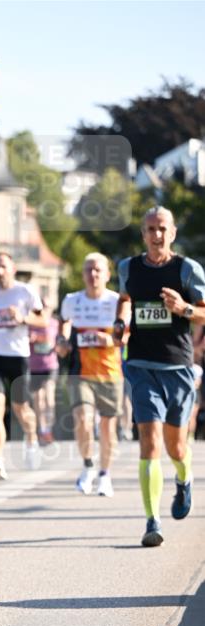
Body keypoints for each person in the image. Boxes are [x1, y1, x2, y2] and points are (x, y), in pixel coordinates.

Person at [114, 206, 205, 546]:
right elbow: (125, 300)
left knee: (176, 447)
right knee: (150, 443)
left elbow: (203, 313)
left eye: (162, 228)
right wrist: (121, 324)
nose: (157, 235)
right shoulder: (129, 268)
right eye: (151, 229)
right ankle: (152, 521)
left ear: (173, 232)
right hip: (140, 366)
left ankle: (184, 479)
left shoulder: (187, 269)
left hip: (177, 367)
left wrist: (183, 308)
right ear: (143, 233)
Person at [58, 253, 121, 497]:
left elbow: (126, 336)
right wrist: (62, 342)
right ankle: (88, 466)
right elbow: (64, 325)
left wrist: (111, 339)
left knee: (107, 427)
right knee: (83, 418)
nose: (93, 274)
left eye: (98, 270)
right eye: (88, 270)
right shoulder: (72, 300)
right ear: (83, 274)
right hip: (80, 371)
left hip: (110, 373)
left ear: (107, 274)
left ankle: (105, 474)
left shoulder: (117, 302)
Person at [0, 252, 45, 480]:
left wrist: (23, 319)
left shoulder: (25, 291)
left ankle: (32, 438)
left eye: (3, 267)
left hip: (18, 356)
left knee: (20, 408)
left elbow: (43, 320)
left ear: (13, 269)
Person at [28, 300, 59, 445]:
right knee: (38, 399)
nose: (45, 309)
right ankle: (42, 429)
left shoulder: (54, 323)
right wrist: (33, 339)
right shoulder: (32, 322)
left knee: (49, 396)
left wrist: (40, 339)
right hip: (34, 366)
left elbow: (55, 341)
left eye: (47, 306)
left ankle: (49, 430)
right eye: (43, 306)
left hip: (50, 365)